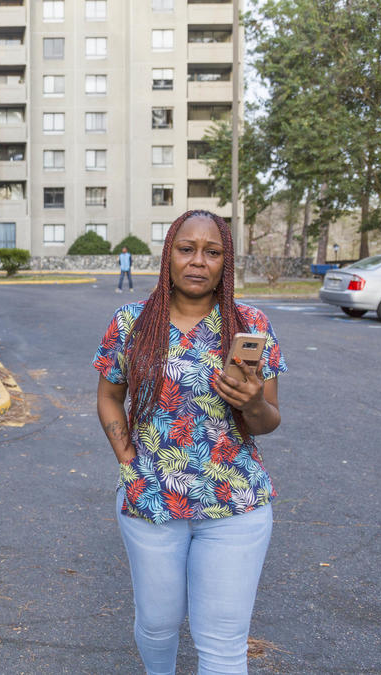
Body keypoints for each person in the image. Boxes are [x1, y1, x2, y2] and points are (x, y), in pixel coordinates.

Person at [92, 210, 286, 674]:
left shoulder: (249, 325)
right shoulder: (131, 322)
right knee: (157, 627)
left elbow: (266, 421)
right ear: (169, 256)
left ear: (226, 261)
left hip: (235, 505)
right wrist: (127, 460)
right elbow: (109, 397)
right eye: (186, 249)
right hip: (151, 502)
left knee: (221, 645)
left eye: (212, 252)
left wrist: (253, 401)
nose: (198, 261)